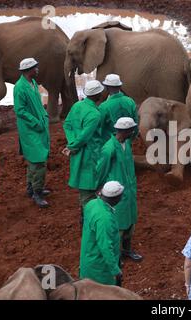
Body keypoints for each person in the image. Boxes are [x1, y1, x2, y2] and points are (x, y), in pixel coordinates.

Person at [96, 117, 142, 262]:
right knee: (118, 225)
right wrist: (100, 188)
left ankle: (127, 250)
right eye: (131, 130)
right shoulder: (109, 148)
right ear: (125, 131)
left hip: (129, 189)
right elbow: (101, 169)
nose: (133, 132)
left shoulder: (126, 143)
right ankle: (116, 254)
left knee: (130, 222)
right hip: (116, 191)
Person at [63, 80, 104, 222]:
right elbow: (85, 137)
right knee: (90, 189)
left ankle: (85, 215)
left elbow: (67, 125)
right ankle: (88, 220)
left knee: (83, 188)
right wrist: (73, 145)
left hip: (78, 154)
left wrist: (71, 143)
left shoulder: (77, 106)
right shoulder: (94, 114)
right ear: (97, 94)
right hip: (90, 154)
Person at [13, 58, 51, 208]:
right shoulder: (20, 87)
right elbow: (19, 110)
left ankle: (31, 188)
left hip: (38, 127)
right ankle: (37, 192)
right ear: (29, 70)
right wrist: (36, 122)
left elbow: (37, 104)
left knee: (33, 160)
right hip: (30, 129)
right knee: (39, 161)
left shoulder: (33, 83)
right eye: (36, 68)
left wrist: (44, 116)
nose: (38, 70)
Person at [79, 181, 124, 286]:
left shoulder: (92, 203)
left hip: (88, 257)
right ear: (116, 198)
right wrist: (115, 270)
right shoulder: (105, 219)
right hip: (99, 268)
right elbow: (105, 247)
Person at [99, 74, 138, 144]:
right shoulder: (130, 101)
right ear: (120, 86)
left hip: (110, 142)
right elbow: (136, 123)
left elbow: (99, 128)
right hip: (127, 142)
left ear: (106, 87)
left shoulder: (103, 106)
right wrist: (131, 139)